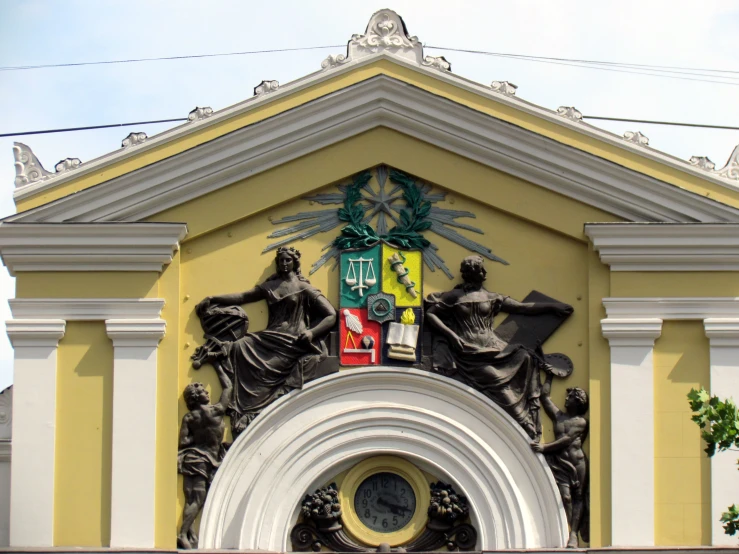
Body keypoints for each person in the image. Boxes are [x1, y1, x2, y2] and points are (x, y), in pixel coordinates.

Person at [425, 255, 572, 438]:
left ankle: (528, 417)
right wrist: (452, 336)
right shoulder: (454, 297)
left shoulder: (491, 297)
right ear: (470, 273)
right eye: (480, 269)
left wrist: (551, 308)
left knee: (525, 356)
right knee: (494, 378)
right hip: (468, 353)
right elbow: (431, 314)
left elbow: (522, 308)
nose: (484, 272)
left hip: (494, 348)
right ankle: (523, 423)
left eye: (482, 269)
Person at [196, 246, 337, 437]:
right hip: (270, 336)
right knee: (238, 346)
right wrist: (213, 299)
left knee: (264, 367)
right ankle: (245, 410)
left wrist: (312, 333)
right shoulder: (271, 286)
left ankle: (254, 409)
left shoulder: (304, 288)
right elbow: (243, 297)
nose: (285, 264)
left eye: (288, 260)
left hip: (293, 342)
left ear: (295, 263)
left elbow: (330, 315)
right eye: (281, 261)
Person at [177, 359, 232, 549]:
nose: (207, 392)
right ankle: (183, 533)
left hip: (191, 458)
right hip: (205, 460)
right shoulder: (215, 411)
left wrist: (197, 439)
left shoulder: (189, 417)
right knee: (198, 499)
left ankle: (190, 534)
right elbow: (228, 387)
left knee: (191, 498)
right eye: (202, 392)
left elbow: (183, 442)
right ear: (195, 397)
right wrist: (217, 365)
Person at [531, 373, 589, 548]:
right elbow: (544, 397)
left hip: (577, 463)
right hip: (560, 463)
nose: (566, 399)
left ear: (577, 402)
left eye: (570, 397)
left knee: (578, 497)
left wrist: (544, 448)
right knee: (566, 497)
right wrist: (549, 377)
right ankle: (568, 529)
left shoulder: (581, 422)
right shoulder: (558, 417)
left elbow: (567, 440)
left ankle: (573, 534)